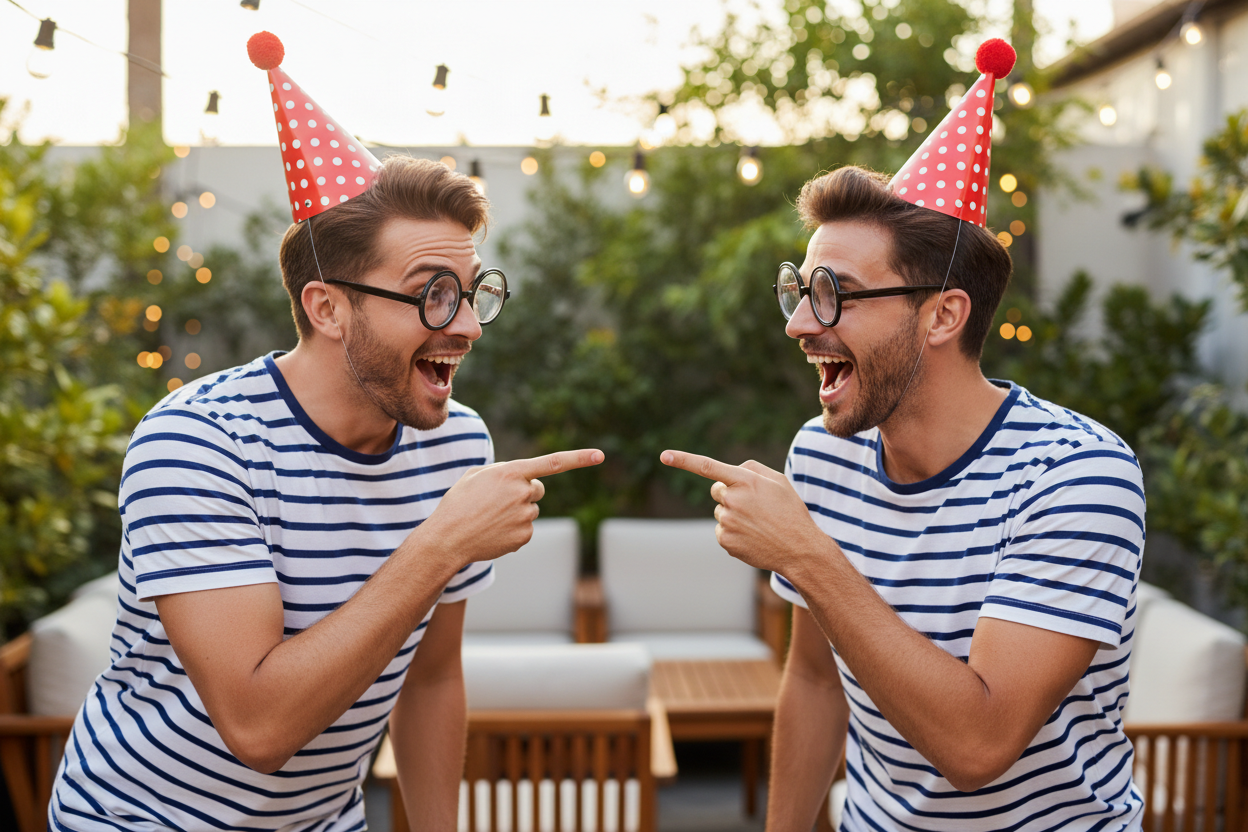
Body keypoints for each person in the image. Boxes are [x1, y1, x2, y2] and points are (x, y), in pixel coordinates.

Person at [49, 33, 602, 832]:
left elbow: (433, 679)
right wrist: (440, 543)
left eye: (473, 293)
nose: (467, 328)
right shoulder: (196, 443)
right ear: (328, 308)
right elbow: (260, 728)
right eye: (432, 293)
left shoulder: (455, 443)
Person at [662, 40, 1144, 831]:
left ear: (944, 315)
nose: (797, 323)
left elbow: (979, 744)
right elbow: (816, 682)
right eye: (799, 289)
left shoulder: (1078, 476)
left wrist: (807, 555)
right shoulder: (822, 454)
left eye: (835, 295)